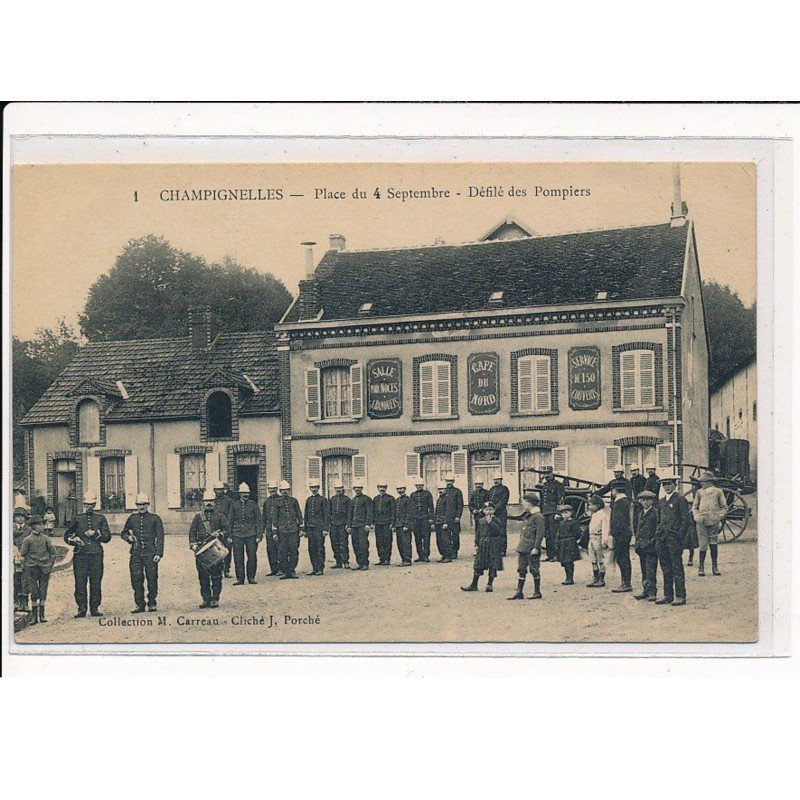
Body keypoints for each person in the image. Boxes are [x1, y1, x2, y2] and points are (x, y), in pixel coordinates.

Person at [64, 491, 112, 618]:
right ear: (83, 505)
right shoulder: (77, 518)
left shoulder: (101, 518)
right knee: (80, 582)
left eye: (92, 504)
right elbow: (67, 536)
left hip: (96, 554)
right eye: (87, 504)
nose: (89, 507)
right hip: (81, 555)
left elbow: (107, 537)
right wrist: (74, 540)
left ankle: (95, 608)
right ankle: (82, 608)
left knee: (96, 581)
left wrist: (96, 534)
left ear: (95, 504)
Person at [121, 493, 165, 613]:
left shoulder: (155, 518)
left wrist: (158, 553)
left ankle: (152, 602)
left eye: (144, 504)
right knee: (136, 579)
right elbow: (124, 533)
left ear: (148, 505)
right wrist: (128, 538)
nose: (141, 507)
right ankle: (140, 604)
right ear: (136, 505)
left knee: (152, 578)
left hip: (150, 554)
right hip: (135, 554)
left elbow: (160, 537)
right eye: (139, 504)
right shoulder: (132, 518)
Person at [188, 488, 229, 608]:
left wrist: (220, 534)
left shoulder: (220, 516)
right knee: (203, 576)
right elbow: (192, 532)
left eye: (211, 501)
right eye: (207, 501)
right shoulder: (197, 517)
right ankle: (206, 599)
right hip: (201, 550)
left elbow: (227, 530)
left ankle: (215, 598)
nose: (209, 503)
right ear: (203, 502)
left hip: (215, 549)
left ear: (215, 502)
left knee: (216, 576)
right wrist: (193, 544)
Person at [655, 476, 690, 606]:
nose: (667, 487)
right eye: (664, 485)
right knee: (665, 567)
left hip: (674, 539)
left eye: (669, 484)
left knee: (676, 567)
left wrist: (679, 537)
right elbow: (659, 520)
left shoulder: (680, 499)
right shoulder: (662, 501)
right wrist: (658, 533)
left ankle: (680, 595)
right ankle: (667, 595)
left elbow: (685, 521)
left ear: (675, 485)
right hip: (663, 538)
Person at [507, 493, 546, 600]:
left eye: (524, 502)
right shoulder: (528, 514)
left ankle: (537, 592)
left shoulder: (538, 517)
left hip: (531, 547)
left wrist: (536, 547)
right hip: (523, 546)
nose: (523, 504)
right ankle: (519, 592)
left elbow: (540, 534)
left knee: (534, 569)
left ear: (530, 503)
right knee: (521, 569)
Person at [19, 515, 56, 624]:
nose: (42, 526)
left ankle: (42, 615)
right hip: (32, 569)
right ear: (34, 526)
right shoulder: (27, 540)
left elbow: (53, 553)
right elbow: (23, 555)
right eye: (40, 524)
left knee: (43, 590)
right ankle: (34, 616)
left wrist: (49, 565)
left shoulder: (46, 538)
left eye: (42, 524)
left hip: (44, 569)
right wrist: (27, 567)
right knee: (34, 591)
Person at [461, 501, 504, 593]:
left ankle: (489, 584)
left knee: (492, 565)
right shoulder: (480, 521)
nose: (488, 511)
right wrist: (476, 544)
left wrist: (491, 523)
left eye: (491, 509)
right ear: (483, 510)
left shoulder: (497, 520)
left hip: (493, 544)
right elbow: (478, 534)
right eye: (486, 509)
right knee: (478, 564)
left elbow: (498, 532)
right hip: (483, 544)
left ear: (494, 510)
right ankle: (474, 584)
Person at [692, 471, 728, 576]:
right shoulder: (699, 492)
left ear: (709, 482)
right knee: (702, 544)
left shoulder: (718, 492)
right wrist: (696, 516)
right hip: (701, 521)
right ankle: (701, 567)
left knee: (713, 542)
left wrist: (718, 517)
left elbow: (725, 507)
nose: (701, 484)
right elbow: (694, 506)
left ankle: (714, 566)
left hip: (714, 521)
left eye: (703, 482)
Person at [227, 482, 263, 584]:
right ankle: (240, 578)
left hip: (251, 535)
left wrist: (259, 535)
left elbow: (258, 521)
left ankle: (251, 577)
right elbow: (230, 521)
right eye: (243, 493)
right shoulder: (235, 505)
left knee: (252, 557)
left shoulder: (253, 505)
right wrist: (230, 536)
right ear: (239, 494)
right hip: (237, 535)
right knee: (238, 557)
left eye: (247, 493)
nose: (245, 495)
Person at [273, 480, 303, 579]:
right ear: (280, 491)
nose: (284, 492)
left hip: (293, 530)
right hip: (282, 531)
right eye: (282, 490)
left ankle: (292, 570)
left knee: (294, 550)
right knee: (282, 552)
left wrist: (301, 529)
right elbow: (275, 518)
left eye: (286, 490)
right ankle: (285, 571)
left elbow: (299, 515)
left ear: (289, 490)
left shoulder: (294, 501)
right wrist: (275, 532)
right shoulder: (277, 502)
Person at [633, 490, 659, 601]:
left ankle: (652, 591)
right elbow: (638, 529)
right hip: (641, 546)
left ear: (652, 501)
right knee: (644, 569)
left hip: (651, 546)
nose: (644, 502)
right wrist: (637, 541)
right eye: (642, 500)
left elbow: (657, 529)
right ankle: (645, 590)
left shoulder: (655, 513)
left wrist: (652, 541)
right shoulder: (641, 513)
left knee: (651, 570)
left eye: (647, 500)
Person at [538, 466, 565, 562]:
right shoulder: (545, 485)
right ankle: (550, 555)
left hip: (553, 512)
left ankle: (557, 555)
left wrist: (558, 512)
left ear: (552, 473)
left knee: (554, 534)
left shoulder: (558, 485)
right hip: (545, 512)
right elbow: (542, 500)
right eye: (544, 473)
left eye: (548, 473)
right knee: (547, 534)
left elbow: (560, 500)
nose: (546, 475)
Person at [610, 487, 633, 593]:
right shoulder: (625, 501)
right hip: (624, 534)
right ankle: (625, 582)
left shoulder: (619, 502)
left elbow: (618, 521)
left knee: (622, 558)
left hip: (621, 535)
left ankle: (626, 583)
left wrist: (613, 533)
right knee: (624, 558)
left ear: (615, 491)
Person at [304, 481, 330, 575]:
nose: (314, 489)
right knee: (311, 548)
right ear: (310, 489)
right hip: (310, 527)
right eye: (312, 487)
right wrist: (305, 530)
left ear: (318, 488)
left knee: (320, 547)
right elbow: (306, 515)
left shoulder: (323, 499)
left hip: (320, 527)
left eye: (315, 487)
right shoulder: (309, 500)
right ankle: (314, 568)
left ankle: (320, 568)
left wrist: (325, 529)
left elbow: (326, 515)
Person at [586, 494, 611, 588]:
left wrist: (604, 541)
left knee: (600, 560)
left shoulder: (603, 515)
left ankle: (602, 579)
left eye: (591, 505)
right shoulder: (594, 515)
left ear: (597, 505)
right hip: (591, 538)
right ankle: (595, 577)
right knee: (593, 559)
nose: (589, 507)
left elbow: (605, 529)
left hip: (598, 538)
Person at [348, 482, 373, 570]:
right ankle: (360, 563)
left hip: (362, 525)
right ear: (353, 489)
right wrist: (349, 525)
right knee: (355, 545)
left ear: (362, 488)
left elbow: (369, 512)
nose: (357, 489)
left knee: (363, 544)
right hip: (354, 525)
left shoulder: (367, 499)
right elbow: (350, 514)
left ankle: (365, 563)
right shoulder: (353, 500)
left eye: (359, 487)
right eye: (355, 488)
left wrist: (368, 524)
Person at [555, 504, 581, 585]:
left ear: (571, 513)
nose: (564, 515)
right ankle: (567, 577)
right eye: (563, 513)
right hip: (562, 543)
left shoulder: (573, 523)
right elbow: (558, 533)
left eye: (566, 513)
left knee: (569, 561)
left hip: (570, 544)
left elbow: (577, 533)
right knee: (564, 561)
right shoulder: (561, 523)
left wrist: (573, 540)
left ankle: (570, 578)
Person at [409, 477, 434, 563]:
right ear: (415, 485)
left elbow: (431, 507)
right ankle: (420, 555)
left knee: (426, 537)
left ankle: (426, 555)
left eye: (420, 485)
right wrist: (412, 520)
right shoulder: (412, 495)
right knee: (417, 538)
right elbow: (411, 508)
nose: (419, 486)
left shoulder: (427, 494)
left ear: (423, 485)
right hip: (416, 519)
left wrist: (431, 518)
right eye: (417, 485)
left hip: (425, 519)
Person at [214, 481, 235, 577]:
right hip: (214, 529)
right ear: (214, 490)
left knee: (227, 549)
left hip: (226, 528)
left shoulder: (229, 501)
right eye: (217, 490)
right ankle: (217, 570)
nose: (219, 492)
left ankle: (227, 569)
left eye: (220, 490)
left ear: (223, 490)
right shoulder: (212, 501)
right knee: (215, 549)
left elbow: (232, 516)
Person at [372, 482, 396, 566]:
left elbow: (393, 511)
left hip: (387, 523)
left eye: (383, 487)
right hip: (378, 523)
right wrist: (372, 522)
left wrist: (392, 523)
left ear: (386, 488)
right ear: (378, 488)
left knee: (387, 541)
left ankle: (387, 559)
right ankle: (381, 558)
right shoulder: (375, 499)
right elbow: (373, 511)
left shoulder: (390, 498)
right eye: (380, 487)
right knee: (379, 541)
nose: (382, 489)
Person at [13, 508, 32, 612]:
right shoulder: (10, 528)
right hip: (13, 557)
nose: (20, 518)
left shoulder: (28, 530)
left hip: (25, 557)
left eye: (22, 516)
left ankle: (25, 603)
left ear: (25, 518)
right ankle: (15, 602)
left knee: (25, 580)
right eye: (17, 516)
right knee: (15, 580)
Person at [487, 473, 510, 556]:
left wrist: (494, 509)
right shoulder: (492, 489)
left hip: (501, 513)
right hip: (492, 514)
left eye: (498, 479)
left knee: (501, 531)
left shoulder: (504, 489)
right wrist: (489, 510)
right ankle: (494, 549)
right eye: (495, 479)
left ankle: (502, 550)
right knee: (493, 531)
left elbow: (503, 501)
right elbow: (488, 500)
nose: (496, 481)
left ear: (501, 480)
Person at [329, 482, 352, 569]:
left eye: (340, 488)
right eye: (336, 488)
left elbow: (349, 513)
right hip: (334, 524)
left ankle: (345, 561)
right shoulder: (332, 499)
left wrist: (348, 524)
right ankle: (338, 562)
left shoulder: (347, 499)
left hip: (343, 524)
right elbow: (329, 512)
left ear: (343, 488)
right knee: (334, 543)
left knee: (344, 543)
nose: (338, 490)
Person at [261, 480, 281, 576]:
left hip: (279, 528)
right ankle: (274, 569)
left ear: (277, 489)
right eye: (270, 488)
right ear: (268, 489)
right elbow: (264, 516)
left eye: (274, 488)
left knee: (280, 548)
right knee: (270, 549)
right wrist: (262, 530)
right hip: (269, 528)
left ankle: (281, 568)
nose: (272, 490)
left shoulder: (280, 500)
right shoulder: (267, 501)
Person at [433, 481, 455, 563]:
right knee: (440, 540)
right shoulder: (439, 499)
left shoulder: (448, 499)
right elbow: (437, 511)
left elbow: (449, 512)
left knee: (446, 540)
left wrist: (446, 522)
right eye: (439, 489)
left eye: (442, 489)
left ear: (445, 489)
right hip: (438, 522)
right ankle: (443, 555)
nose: (440, 491)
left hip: (444, 523)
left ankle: (448, 556)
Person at [444, 472, 464, 559]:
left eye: (451, 481)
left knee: (455, 535)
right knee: (446, 536)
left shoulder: (457, 492)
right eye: (447, 481)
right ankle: (448, 552)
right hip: (446, 517)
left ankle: (455, 551)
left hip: (454, 517)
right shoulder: (443, 491)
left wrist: (458, 516)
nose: (449, 483)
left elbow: (460, 505)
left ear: (453, 481)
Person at [393, 482, 413, 566]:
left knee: (406, 543)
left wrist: (406, 525)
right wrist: (394, 525)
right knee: (400, 543)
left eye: (401, 489)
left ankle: (407, 560)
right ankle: (403, 559)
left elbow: (409, 513)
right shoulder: (397, 500)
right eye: (398, 489)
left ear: (404, 489)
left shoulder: (408, 500)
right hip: (398, 525)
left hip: (405, 525)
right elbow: (395, 513)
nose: (400, 490)